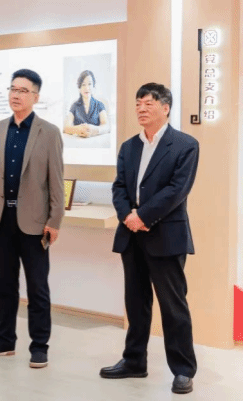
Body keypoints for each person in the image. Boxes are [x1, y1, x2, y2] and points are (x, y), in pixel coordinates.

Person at [100, 83, 198, 395]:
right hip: (132, 236)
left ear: (165, 108)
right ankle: (134, 361)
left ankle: (183, 370)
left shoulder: (185, 145)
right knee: (136, 302)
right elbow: (119, 187)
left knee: (173, 306)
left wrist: (142, 216)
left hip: (166, 236)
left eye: (148, 103)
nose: (141, 109)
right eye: (138, 104)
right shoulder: (129, 146)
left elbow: (177, 190)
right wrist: (128, 216)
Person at [0, 69, 64, 369]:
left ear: (35, 97)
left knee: (37, 288)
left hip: (35, 222)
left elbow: (56, 181)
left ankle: (39, 346)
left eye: (23, 90)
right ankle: (4, 340)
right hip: (2, 219)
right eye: (13, 89)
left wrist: (55, 220)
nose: (16, 95)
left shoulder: (48, 132)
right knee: (5, 284)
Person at [63, 70, 109, 138]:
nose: (87, 88)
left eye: (89, 84)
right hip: (78, 142)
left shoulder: (100, 105)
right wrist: (79, 129)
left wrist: (94, 130)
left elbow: (106, 126)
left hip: (96, 141)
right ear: (79, 88)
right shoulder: (74, 106)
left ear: (94, 87)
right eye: (83, 85)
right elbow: (66, 128)